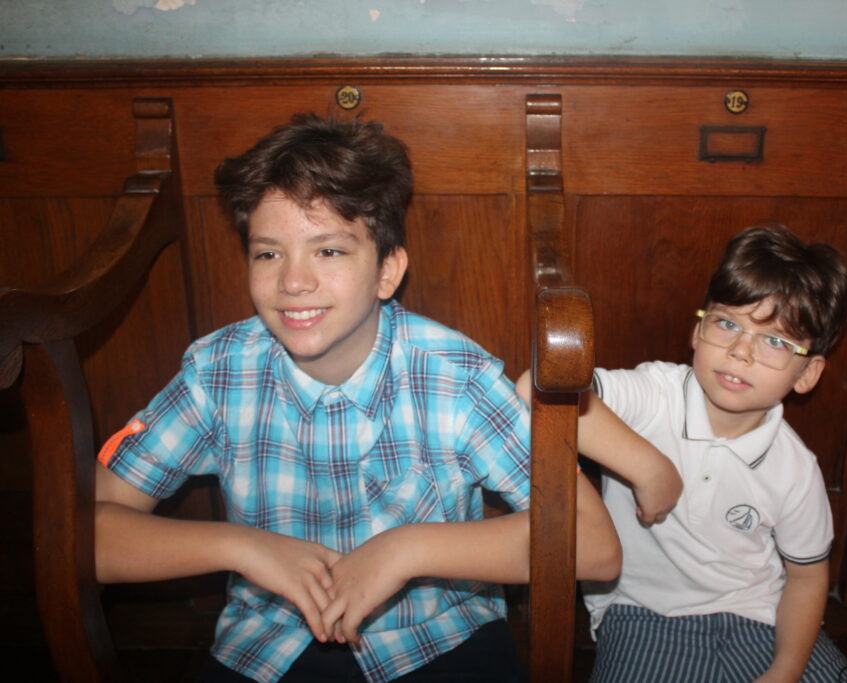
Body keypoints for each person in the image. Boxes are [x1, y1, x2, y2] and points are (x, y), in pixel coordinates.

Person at [93, 113, 621, 683]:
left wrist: (406, 551)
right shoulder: (217, 373)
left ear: (387, 271)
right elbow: (87, 536)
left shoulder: (455, 377)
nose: (293, 282)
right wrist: (242, 547)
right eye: (268, 254)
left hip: (437, 638)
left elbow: (593, 543)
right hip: (268, 643)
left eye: (329, 251)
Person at [517, 224, 847, 682]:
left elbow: (806, 577)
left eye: (776, 341)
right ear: (698, 331)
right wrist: (650, 468)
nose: (741, 351)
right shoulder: (656, 393)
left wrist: (785, 669)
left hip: (759, 615)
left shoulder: (796, 467)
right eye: (727, 324)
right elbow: (536, 388)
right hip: (643, 614)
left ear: (807, 373)